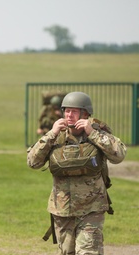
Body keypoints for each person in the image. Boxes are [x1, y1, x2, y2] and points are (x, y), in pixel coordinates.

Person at [27, 92, 126, 255]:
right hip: (63, 210)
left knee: (88, 252)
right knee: (66, 252)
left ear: (85, 114)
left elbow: (119, 155)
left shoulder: (96, 132)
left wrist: (92, 133)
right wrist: (51, 134)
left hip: (91, 208)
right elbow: (33, 162)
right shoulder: (56, 135)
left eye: (74, 111)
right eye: (66, 111)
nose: (69, 115)